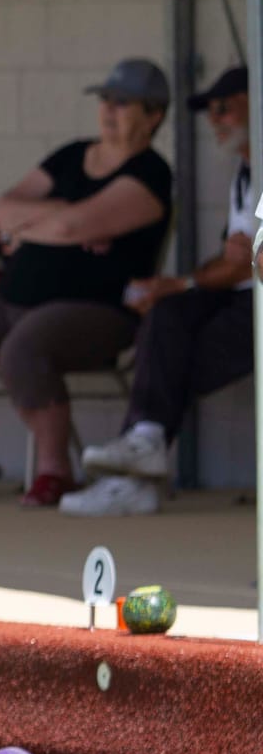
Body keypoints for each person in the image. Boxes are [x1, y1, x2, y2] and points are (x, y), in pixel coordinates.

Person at [0, 58, 173, 508]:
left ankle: (54, 471)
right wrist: (60, 217)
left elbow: (69, 228)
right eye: (105, 100)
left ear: (153, 115)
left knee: (25, 347)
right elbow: (2, 211)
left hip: (97, 311)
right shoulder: (70, 155)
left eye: (123, 103)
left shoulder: (152, 174)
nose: (109, 110)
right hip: (10, 298)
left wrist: (38, 225)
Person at [62, 66, 255, 517]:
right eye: (210, 111)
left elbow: (250, 260)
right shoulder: (245, 171)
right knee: (166, 320)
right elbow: (233, 258)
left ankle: (140, 465)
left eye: (225, 107)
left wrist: (184, 281)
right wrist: (178, 285)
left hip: (258, 303)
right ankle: (144, 451)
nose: (216, 119)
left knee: (170, 362)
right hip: (240, 293)